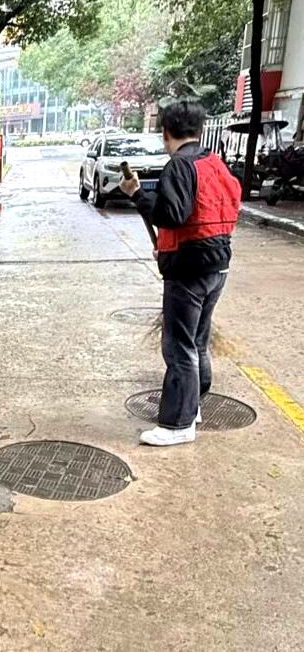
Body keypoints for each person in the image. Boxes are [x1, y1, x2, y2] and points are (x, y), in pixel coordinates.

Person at [120, 99, 242, 446]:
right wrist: (171, 246)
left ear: (166, 132)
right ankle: (194, 405)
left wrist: (137, 194)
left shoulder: (179, 166)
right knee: (198, 341)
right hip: (217, 266)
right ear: (200, 130)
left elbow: (170, 214)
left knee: (179, 347)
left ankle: (177, 424)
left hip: (189, 273)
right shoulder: (215, 164)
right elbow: (216, 211)